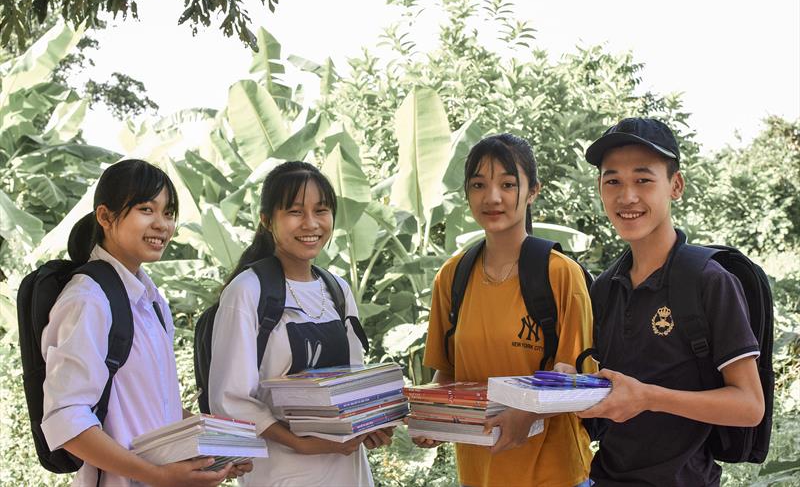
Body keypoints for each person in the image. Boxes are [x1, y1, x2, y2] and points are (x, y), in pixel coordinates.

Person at [579, 118, 765, 486]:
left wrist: (648, 398)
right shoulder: (603, 288)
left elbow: (749, 406)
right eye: (612, 180)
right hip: (604, 478)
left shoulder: (709, 281)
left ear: (675, 185)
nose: (626, 196)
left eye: (643, 180)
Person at [41, 159, 247, 487]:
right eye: (146, 210)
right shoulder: (88, 299)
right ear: (105, 217)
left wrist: (217, 449)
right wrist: (157, 476)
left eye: (168, 213)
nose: (162, 225)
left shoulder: (150, 298)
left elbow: (161, 406)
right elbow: (66, 420)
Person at [419, 134, 594, 487]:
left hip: (555, 474)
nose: (492, 197)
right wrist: (432, 419)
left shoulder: (560, 274)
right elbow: (448, 376)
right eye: (479, 184)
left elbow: (581, 380)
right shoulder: (452, 277)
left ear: (532, 192)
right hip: (479, 473)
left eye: (508, 184)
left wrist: (527, 411)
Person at [208, 160, 392, 486]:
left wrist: (372, 422)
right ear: (267, 220)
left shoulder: (337, 289)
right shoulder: (248, 291)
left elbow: (349, 382)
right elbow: (231, 399)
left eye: (321, 211)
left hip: (349, 470)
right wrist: (300, 443)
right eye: (295, 212)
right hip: (282, 472)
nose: (311, 223)